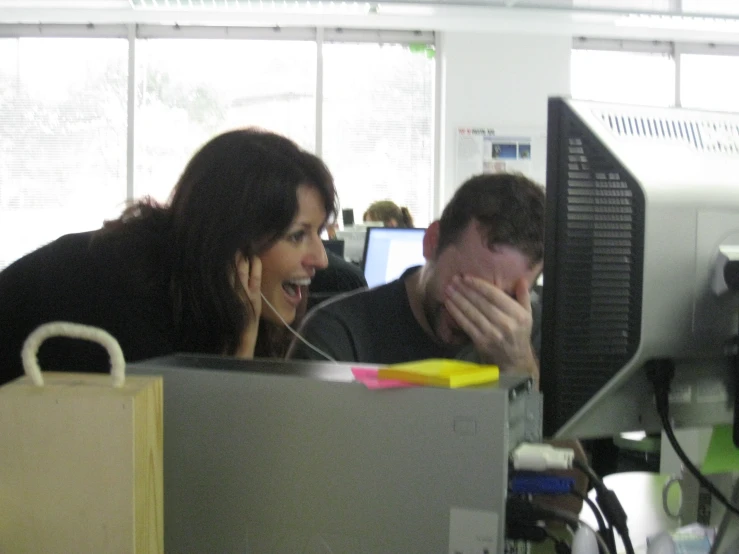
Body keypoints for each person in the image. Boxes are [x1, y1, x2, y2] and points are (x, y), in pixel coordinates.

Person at [0, 128, 337, 386]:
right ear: (233, 239)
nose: (320, 259)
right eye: (297, 235)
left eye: (318, 233)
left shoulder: (209, 295)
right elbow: (188, 454)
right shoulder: (126, 296)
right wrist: (240, 351)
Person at [288, 172, 543, 384]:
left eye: (506, 299)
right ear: (432, 242)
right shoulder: (338, 333)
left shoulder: (530, 334)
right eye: (469, 284)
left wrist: (519, 368)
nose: (481, 312)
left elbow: (568, 446)